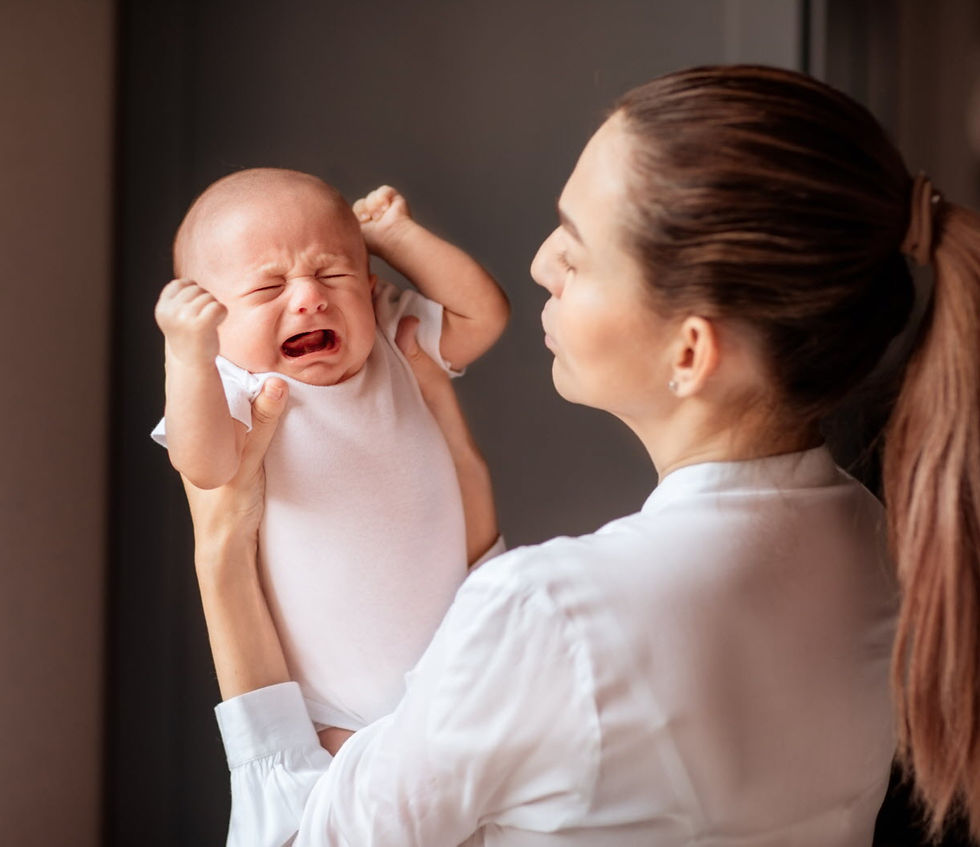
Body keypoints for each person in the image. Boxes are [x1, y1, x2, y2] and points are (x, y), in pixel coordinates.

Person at [182, 66, 980, 845]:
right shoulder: (885, 543)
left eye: (577, 248)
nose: (539, 264)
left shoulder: (545, 615)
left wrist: (221, 559)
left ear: (691, 350)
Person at [153, 169, 509, 738]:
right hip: (332, 712)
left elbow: (483, 316)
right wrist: (187, 358)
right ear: (214, 326)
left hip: (463, 669)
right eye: (269, 289)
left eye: (332, 273)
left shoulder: (391, 338)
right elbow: (205, 465)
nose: (310, 297)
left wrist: (397, 238)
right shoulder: (235, 386)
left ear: (369, 287)